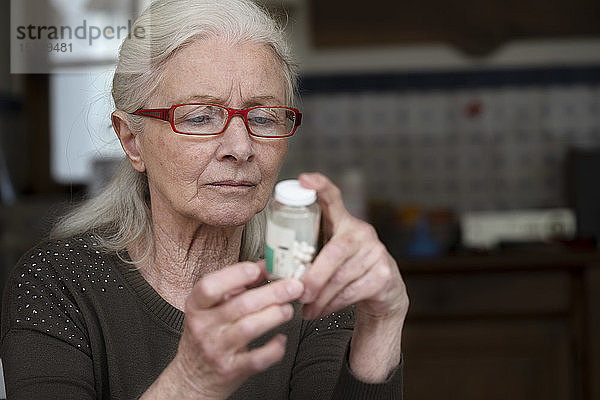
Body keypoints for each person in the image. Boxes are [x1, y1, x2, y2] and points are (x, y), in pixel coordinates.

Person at [0, 0, 409, 398]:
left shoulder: (314, 285)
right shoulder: (57, 284)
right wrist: (191, 383)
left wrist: (380, 327)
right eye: (199, 116)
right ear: (132, 140)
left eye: (263, 117)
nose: (241, 146)